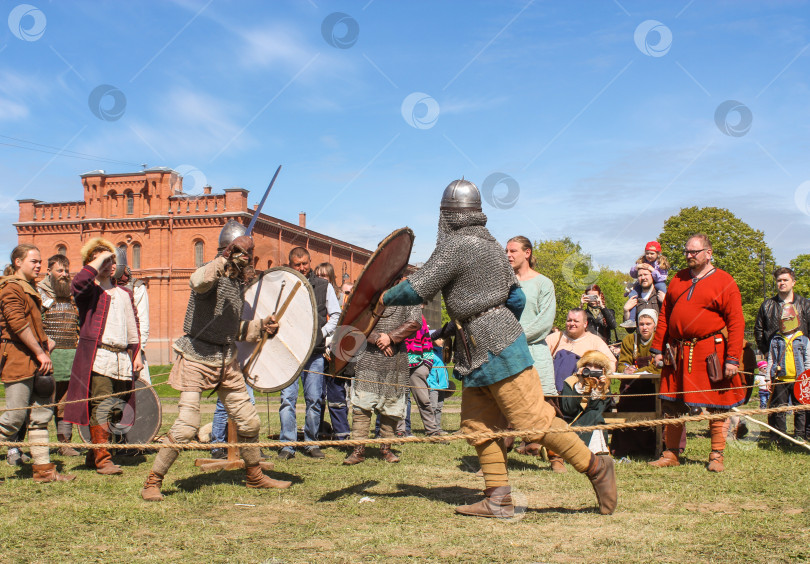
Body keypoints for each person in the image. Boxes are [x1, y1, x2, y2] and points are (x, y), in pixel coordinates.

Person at [382, 179, 616, 517]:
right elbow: (516, 298)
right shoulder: (491, 244)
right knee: (478, 425)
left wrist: (382, 295)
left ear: (447, 215)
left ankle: (596, 467)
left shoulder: (457, 245)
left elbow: (420, 287)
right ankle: (498, 498)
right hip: (476, 348)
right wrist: (497, 317)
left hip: (498, 348)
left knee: (532, 421)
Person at [139, 227, 290, 501]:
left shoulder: (236, 285)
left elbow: (231, 329)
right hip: (196, 356)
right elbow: (197, 282)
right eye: (244, 254)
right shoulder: (211, 273)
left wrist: (261, 327)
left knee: (249, 422)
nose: (249, 261)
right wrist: (224, 258)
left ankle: (254, 475)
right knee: (186, 425)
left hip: (225, 359)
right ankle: (153, 481)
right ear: (230, 251)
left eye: (250, 255)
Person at [649, 233, 746, 472]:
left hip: (709, 351)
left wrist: (732, 357)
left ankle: (716, 455)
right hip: (677, 350)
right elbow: (665, 316)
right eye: (687, 252)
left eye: (694, 252)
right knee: (671, 404)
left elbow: (736, 322)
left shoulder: (725, 281)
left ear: (708, 253)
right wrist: (658, 349)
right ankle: (670, 453)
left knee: (717, 404)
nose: (689, 255)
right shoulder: (678, 279)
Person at [63, 239, 143, 476]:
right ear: (93, 263)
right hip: (99, 357)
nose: (109, 265)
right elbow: (78, 283)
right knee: (102, 407)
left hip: (121, 358)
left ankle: (94, 453)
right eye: (104, 261)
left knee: (118, 409)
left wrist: (137, 353)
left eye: (112, 260)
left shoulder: (125, 293)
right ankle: (103, 459)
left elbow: (133, 325)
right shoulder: (90, 292)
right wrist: (98, 257)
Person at [0, 245, 74, 483]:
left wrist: (47, 343)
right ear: (18, 262)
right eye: (33, 261)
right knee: (14, 418)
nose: (38, 266)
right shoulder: (10, 287)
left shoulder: (30, 288)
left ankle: (44, 471)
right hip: (19, 359)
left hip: (39, 361)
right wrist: (40, 352)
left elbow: (34, 324)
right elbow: (17, 324)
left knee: (41, 417)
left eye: (40, 261)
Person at [278, 247, 340, 459]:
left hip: (314, 353)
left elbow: (336, 315)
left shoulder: (324, 286)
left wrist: (320, 334)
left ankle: (311, 443)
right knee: (288, 399)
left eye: (305, 263)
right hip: (289, 353)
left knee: (314, 399)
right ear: (290, 264)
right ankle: (287, 444)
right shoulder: (282, 285)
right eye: (298, 264)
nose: (303, 267)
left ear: (310, 261)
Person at [343, 304, 421, 465]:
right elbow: (357, 321)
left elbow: (415, 321)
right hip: (368, 356)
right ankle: (358, 449)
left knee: (391, 406)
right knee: (361, 405)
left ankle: (386, 448)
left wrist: (391, 338)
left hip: (396, 356)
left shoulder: (407, 296)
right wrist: (378, 339)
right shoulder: (372, 291)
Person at [37, 254, 81, 457]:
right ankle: (38, 446)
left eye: (66, 271)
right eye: (59, 270)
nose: (64, 275)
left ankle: (65, 444)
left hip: (71, 357)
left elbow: (79, 324)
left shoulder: (73, 295)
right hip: (49, 358)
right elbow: (34, 323)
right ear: (49, 271)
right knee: (43, 404)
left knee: (66, 404)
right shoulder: (40, 293)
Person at [611, 308, 667, 458]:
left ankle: (651, 447)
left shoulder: (659, 340)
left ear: (654, 325)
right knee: (625, 406)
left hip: (652, 386)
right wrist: (626, 370)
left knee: (654, 407)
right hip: (632, 385)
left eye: (648, 323)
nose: (644, 327)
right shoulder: (630, 340)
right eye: (641, 323)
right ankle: (625, 447)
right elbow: (622, 362)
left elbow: (657, 366)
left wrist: (636, 372)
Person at [505, 236, 556, 397]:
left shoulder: (544, 283)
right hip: (506, 355)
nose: (508, 255)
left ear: (527, 253)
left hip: (534, 354)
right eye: (506, 251)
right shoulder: (501, 283)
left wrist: (513, 338)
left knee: (540, 408)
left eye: (513, 251)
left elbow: (544, 322)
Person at [314, 262, 350, 441]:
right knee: (317, 394)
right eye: (318, 275)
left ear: (331, 277)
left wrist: (331, 345)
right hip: (318, 349)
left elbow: (343, 325)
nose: (321, 279)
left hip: (335, 349)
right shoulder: (313, 293)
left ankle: (341, 434)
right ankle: (318, 431)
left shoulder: (341, 297)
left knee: (336, 394)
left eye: (324, 276)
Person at [764, 302, 810, 441]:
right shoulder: (776, 339)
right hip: (780, 380)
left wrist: (807, 378)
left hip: (799, 380)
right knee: (779, 409)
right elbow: (771, 359)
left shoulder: (804, 340)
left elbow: (808, 360)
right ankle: (781, 437)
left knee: (800, 409)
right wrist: (768, 378)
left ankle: (799, 436)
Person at [560, 351, 613, 456]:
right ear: (582, 368)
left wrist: (599, 390)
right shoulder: (571, 382)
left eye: (597, 367)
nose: (592, 370)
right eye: (589, 366)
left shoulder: (605, 386)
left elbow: (597, 409)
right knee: (595, 416)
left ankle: (595, 451)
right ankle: (599, 451)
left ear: (603, 371)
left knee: (594, 415)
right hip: (571, 424)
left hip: (592, 422)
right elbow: (568, 410)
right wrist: (580, 384)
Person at [403, 310, 443, 437]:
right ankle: (400, 431)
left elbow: (426, 338)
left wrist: (427, 363)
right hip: (399, 363)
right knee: (400, 400)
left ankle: (432, 430)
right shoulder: (395, 312)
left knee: (424, 400)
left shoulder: (420, 316)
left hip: (419, 364)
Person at [754, 267, 810, 356]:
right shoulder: (766, 305)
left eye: (785, 280)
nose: (782, 283)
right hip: (776, 356)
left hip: (801, 356)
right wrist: (766, 351)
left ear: (793, 282)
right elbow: (758, 330)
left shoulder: (806, 305)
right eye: (779, 280)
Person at [546, 309, 617, 375]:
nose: (572, 324)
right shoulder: (554, 338)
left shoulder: (595, 341)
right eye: (569, 320)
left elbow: (612, 364)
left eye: (576, 321)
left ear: (585, 324)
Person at [114, 266, 152, 384]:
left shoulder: (136, 286)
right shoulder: (102, 286)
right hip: (110, 347)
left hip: (133, 347)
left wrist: (138, 351)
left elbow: (142, 320)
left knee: (140, 390)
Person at [621, 264, 664, 330]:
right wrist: (626, 311)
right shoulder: (634, 297)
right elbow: (630, 330)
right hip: (641, 339)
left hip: (658, 338)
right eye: (640, 275)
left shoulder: (660, 294)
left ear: (652, 275)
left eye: (646, 274)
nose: (643, 278)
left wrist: (665, 302)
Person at [427, 336, 450, 431]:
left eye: (442, 339)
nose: (442, 341)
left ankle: (438, 427)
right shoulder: (429, 353)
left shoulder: (443, 352)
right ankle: (431, 428)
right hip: (433, 384)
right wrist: (429, 382)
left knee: (439, 407)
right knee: (433, 407)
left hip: (442, 385)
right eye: (439, 339)